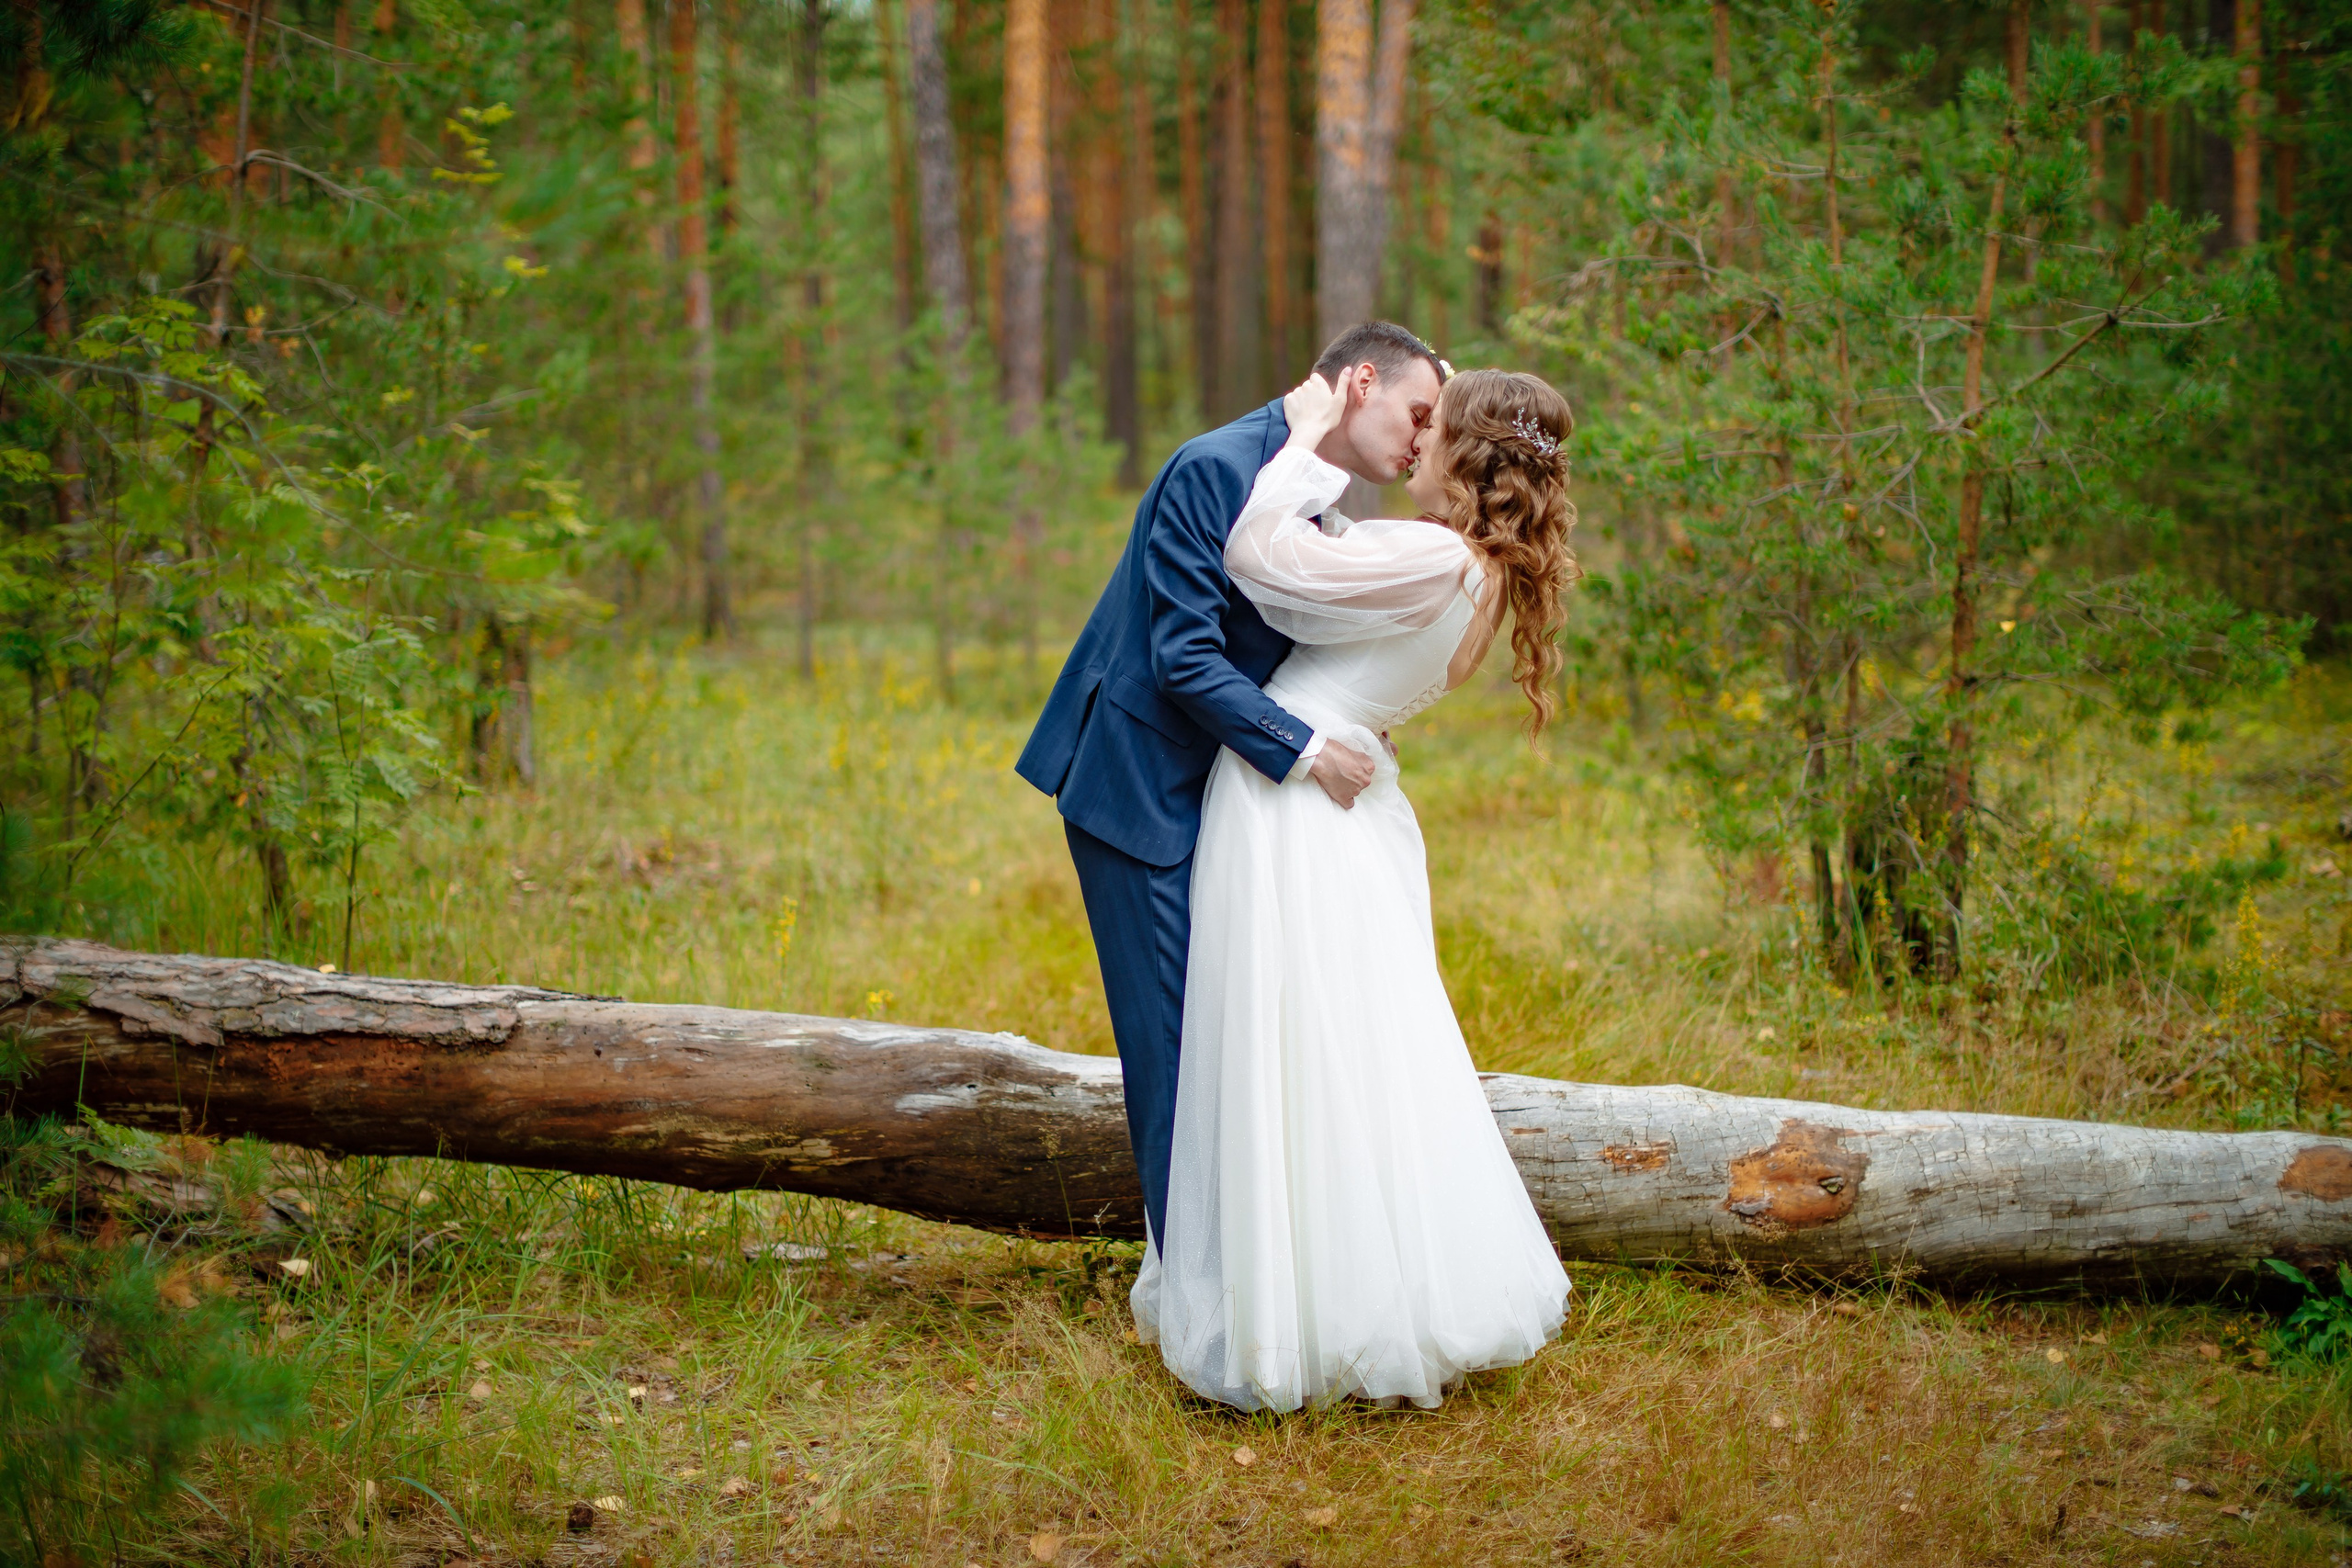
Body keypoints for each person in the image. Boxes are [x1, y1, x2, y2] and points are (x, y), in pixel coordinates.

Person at [1131, 365, 1581, 1410]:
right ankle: (1345, 1287)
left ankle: (1299, 1312)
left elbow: (1259, 555)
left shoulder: (1433, 557)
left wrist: (1303, 435)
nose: (1414, 440)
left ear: (1464, 456)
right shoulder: (1480, 571)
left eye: (1433, 427)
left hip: (1294, 807)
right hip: (1341, 798)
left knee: (1288, 1047)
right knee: (1351, 1051)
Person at [1014, 321, 1443, 1258]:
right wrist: (1307, 749)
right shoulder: (1217, 465)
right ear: (1360, 381)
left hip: (1221, 793)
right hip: (1140, 792)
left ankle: (1249, 1267)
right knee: (1173, 1053)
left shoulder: (1318, 495)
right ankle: (1193, 1292)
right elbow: (1181, 658)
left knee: (1230, 1038)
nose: (1421, 441)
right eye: (1417, 414)